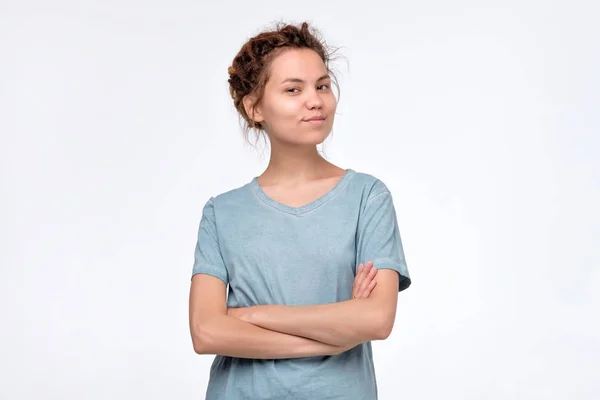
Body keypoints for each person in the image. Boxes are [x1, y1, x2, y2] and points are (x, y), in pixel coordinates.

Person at [188, 21, 411, 400]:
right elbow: (207, 332)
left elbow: (376, 318)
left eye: (322, 85)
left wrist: (254, 315)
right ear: (255, 107)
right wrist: (334, 335)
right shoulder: (222, 213)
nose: (315, 100)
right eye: (294, 89)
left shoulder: (367, 198)